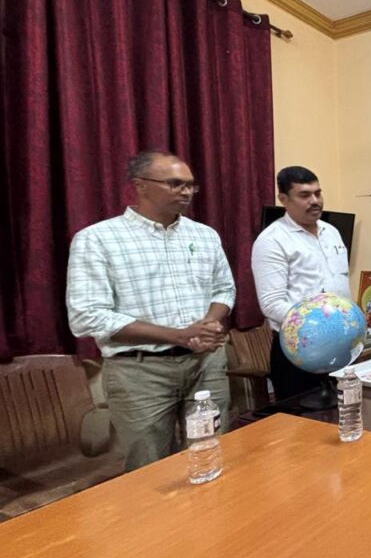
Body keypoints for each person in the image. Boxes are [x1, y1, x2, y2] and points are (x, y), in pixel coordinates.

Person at [67, 150, 235, 472]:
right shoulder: (98, 239)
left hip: (206, 364)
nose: (186, 192)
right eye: (174, 184)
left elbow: (224, 289)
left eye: (190, 185)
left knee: (210, 455)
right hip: (140, 372)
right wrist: (178, 335)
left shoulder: (205, 235)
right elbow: (87, 315)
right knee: (151, 470)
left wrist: (208, 325)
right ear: (140, 185)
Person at [251, 166, 351, 401]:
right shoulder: (272, 240)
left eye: (318, 193)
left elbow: (340, 284)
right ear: (283, 199)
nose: (315, 201)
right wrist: (320, 327)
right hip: (299, 349)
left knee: (345, 411)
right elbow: (271, 303)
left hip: (339, 344)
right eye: (304, 195)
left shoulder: (332, 232)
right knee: (301, 419)